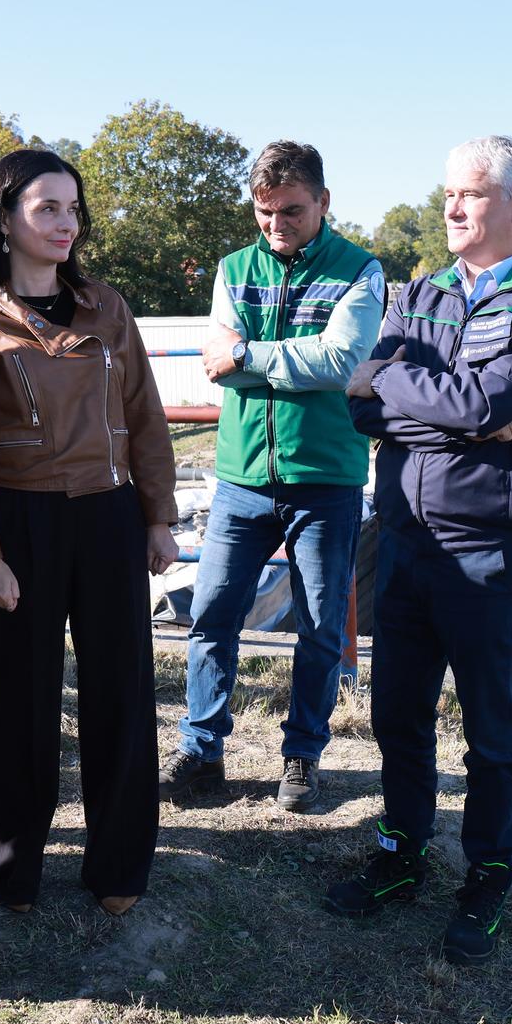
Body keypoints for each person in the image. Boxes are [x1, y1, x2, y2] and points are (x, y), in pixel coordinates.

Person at [328, 135, 512, 965]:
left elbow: (490, 398)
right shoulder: (420, 291)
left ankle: (487, 873)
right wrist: (459, 409)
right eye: (447, 192)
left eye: (470, 194)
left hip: (488, 551)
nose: (452, 207)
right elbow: (366, 410)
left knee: (489, 726)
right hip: (403, 537)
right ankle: (401, 852)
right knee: (397, 713)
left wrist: (394, 381)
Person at [0, 149, 179, 918]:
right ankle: (12, 870)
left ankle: (118, 869)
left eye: (73, 208)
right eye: (47, 208)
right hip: (19, 522)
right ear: (5, 218)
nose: (66, 223)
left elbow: (144, 416)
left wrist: (158, 514)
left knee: (122, 695)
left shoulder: (109, 307)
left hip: (107, 515)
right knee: (15, 702)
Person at [158, 141, 384, 812]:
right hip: (241, 479)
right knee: (213, 616)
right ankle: (201, 753)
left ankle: (302, 758)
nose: (276, 224)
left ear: (323, 201)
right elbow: (213, 353)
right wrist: (289, 360)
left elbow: (342, 360)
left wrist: (249, 355)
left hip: (326, 479)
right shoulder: (234, 268)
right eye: (264, 213)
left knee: (318, 627)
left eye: (290, 210)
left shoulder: (361, 271)